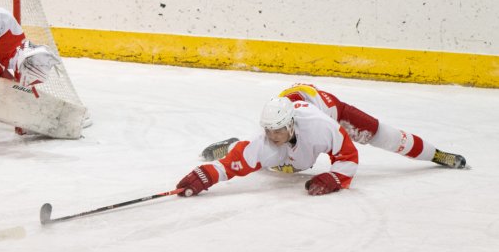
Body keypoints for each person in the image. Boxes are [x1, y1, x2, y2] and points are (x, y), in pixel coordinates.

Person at [200, 83, 467, 169]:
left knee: (382, 134)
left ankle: (436, 154)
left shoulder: (322, 119)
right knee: (273, 160)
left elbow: (383, 138)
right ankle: (232, 146)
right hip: (299, 107)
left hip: (328, 109)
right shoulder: (280, 125)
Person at [177, 96, 360, 198]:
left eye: (278, 131)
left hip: (302, 151)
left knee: (291, 165)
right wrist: (206, 174)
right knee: (260, 158)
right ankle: (231, 144)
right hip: (279, 158)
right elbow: (235, 162)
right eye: (268, 130)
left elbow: (348, 155)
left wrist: (334, 177)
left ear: (290, 124)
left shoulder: (320, 127)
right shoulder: (264, 140)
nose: (272, 136)